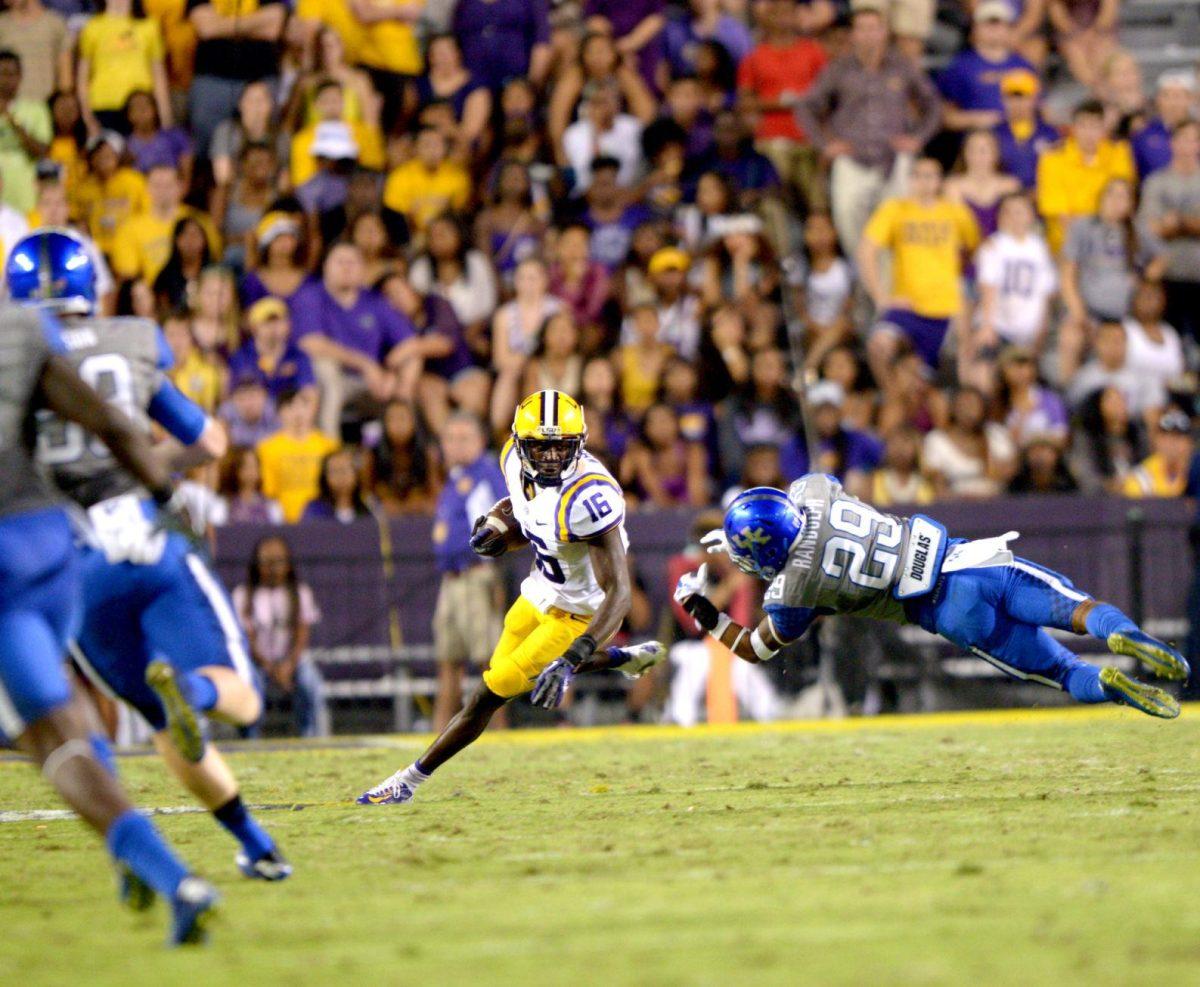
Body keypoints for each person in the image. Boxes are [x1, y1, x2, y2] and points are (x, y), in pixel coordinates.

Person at [10, 230, 292, 884]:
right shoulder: (129, 341)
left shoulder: (14, 361)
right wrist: (140, 468)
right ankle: (193, 692)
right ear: (91, 289)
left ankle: (253, 842)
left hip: (71, 568)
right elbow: (211, 441)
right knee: (239, 696)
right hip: (146, 539)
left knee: (133, 719)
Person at [0, 291, 220, 944]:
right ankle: (134, 859)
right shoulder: (17, 331)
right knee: (66, 705)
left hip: (3, 572)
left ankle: (169, 875)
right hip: (53, 547)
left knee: (53, 738)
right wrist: (166, 501)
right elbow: (118, 429)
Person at [357, 390, 666, 805]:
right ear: (521, 445)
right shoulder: (510, 462)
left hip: (577, 614)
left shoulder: (589, 498)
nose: (553, 457)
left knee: (491, 690)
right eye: (541, 446)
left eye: (562, 446)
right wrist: (501, 534)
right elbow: (530, 517)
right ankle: (622, 659)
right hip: (539, 590)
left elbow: (620, 593)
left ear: (580, 442)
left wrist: (574, 656)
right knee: (515, 672)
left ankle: (407, 781)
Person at [676, 476, 1190, 723]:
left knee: (1059, 671)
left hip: (944, 612)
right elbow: (813, 493)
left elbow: (753, 648)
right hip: (967, 562)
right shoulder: (811, 492)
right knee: (1075, 608)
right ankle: (1125, 635)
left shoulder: (793, 589)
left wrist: (705, 611)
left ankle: (1110, 684)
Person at [794, 5, 941, 256]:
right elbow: (806, 107)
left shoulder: (901, 66)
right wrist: (825, 144)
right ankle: (863, 278)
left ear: (884, 32)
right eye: (862, 29)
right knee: (847, 219)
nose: (868, 35)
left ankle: (892, 283)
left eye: (874, 28)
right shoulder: (838, 69)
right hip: (852, 157)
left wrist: (918, 138)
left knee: (899, 224)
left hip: (893, 157)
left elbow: (933, 104)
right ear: (853, 34)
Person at [858, 156, 980, 378]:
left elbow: (973, 248)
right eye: (918, 175)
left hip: (946, 307)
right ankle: (891, 398)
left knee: (923, 376)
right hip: (907, 303)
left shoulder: (955, 212)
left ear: (940, 180)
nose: (924, 182)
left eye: (930, 176)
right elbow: (866, 250)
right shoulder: (896, 209)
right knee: (879, 346)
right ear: (910, 179)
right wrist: (880, 296)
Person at [429, 412, 507, 732]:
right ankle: (438, 738)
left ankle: (498, 734)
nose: (456, 446)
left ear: (480, 441)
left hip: (477, 577)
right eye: (451, 439)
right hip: (451, 579)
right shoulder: (453, 478)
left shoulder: (486, 475)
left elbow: (504, 525)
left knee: (489, 661)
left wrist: (498, 573)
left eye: (464, 438)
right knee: (449, 660)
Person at [289, 241, 415, 437]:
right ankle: (330, 447)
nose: (347, 267)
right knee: (324, 368)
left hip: (373, 382)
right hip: (335, 379)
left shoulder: (374, 300)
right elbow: (310, 342)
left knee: (412, 362)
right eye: (340, 262)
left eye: (353, 262)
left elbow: (409, 342)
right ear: (325, 267)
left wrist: (394, 377)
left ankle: (398, 452)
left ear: (363, 269)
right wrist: (366, 364)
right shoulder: (310, 296)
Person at [734, 0, 827, 209]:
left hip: (809, 137)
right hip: (771, 139)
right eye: (777, 13)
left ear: (797, 17)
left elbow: (828, 95)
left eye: (788, 12)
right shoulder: (755, 57)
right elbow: (744, 101)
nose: (783, 18)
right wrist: (778, 102)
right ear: (767, 18)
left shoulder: (814, 52)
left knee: (818, 201)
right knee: (775, 197)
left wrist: (805, 101)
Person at [234, 535, 325, 738]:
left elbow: (302, 634)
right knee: (249, 684)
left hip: (292, 661)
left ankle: (313, 738)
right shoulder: (243, 595)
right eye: (267, 562)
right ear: (256, 565)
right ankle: (250, 739)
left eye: (279, 561)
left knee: (311, 681)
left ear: (288, 565)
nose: (273, 568)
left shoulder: (300, 593)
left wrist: (288, 665)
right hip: (257, 663)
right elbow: (246, 639)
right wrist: (270, 667)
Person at [186, 0, 286, 157]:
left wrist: (221, 25)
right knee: (205, 144)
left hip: (261, 77)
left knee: (264, 141)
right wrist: (257, 23)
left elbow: (274, 27)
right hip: (212, 78)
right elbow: (206, 29)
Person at [1036, 100, 1135, 255]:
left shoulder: (1118, 153)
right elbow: (1061, 214)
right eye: (1083, 126)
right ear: (1073, 128)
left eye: (1095, 126)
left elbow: (1121, 203)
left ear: (1103, 128)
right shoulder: (1052, 159)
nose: (1089, 133)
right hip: (1067, 246)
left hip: (1109, 245)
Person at [1138, 119, 1200, 344]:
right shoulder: (1156, 182)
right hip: (1166, 275)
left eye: (1193, 140)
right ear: (1172, 143)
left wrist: (1178, 222)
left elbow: (1166, 225)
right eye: (1182, 139)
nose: (1187, 146)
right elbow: (1149, 228)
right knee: (1167, 341)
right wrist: (1191, 225)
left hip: (1197, 271)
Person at [937, 1, 1034, 140]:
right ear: (975, 27)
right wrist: (975, 119)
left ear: (1009, 28)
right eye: (989, 22)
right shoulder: (961, 66)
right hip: (976, 144)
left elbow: (1039, 112)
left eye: (1000, 22)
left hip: (1018, 143)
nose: (994, 28)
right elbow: (944, 116)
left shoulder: (1024, 66)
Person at [257, 387, 340, 523]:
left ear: (313, 410)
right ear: (279, 412)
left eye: (304, 405)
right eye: (290, 406)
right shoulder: (266, 448)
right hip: (283, 523)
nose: (298, 412)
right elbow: (268, 493)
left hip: (324, 520)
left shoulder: (329, 446)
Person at [381, 124, 469, 236]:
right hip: (411, 238)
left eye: (437, 145)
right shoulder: (399, 177)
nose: (432, 150)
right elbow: (396, 217)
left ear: (445, 147)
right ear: (415, 148)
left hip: (445, 237)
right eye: (427, 145)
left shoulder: (458, 176)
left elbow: (460, 214)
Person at [227, 296, 317, 403]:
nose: (273, 327)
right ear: (254, 327)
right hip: (251, 414)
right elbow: (233, 395)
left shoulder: (298, 355)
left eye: (278, 320)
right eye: (267, 322)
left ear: (288, 324)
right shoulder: (242, 356)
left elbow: (309, 392)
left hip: (287, 414)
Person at [0, 49, 50, 214]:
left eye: (10, 74)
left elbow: (41, 151)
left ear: (20, 77)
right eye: (1, 73)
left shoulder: (36, 109)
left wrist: (12, 119)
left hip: (24, 192)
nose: (5, 80)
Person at [992, 70, 1058, 192]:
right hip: (1005, 199)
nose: (1017, 103)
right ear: (1003, 100)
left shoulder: (1050, 134)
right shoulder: (993, 134)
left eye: (1023, 97)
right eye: (1011, 97)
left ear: (1035, 99)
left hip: (1042, 198)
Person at [0, 0, 70, 104]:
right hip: (7, 110)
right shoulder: (2, 24)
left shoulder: (55, 24)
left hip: (45, 108)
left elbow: (65, 78)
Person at [1131, 72, 1196, 180]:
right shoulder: (1143, 135)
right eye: (1167, 95)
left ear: (1190, 99)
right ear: (1158, 99)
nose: (1173, 103)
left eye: (1178, 96)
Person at [1123, 407, 1194, 498]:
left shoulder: (1195, 474)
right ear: (1156, 441)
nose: (1172, 444)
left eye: (1178, 437)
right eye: (1166, 436)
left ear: (1190, 443)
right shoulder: (1142, 477)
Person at [300, 447, 373, 522]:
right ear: (325, 477)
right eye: (335, 471)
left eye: (344, 470)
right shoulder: (314, 509)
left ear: (356, 474)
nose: (340, 477)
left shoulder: (369, 507)